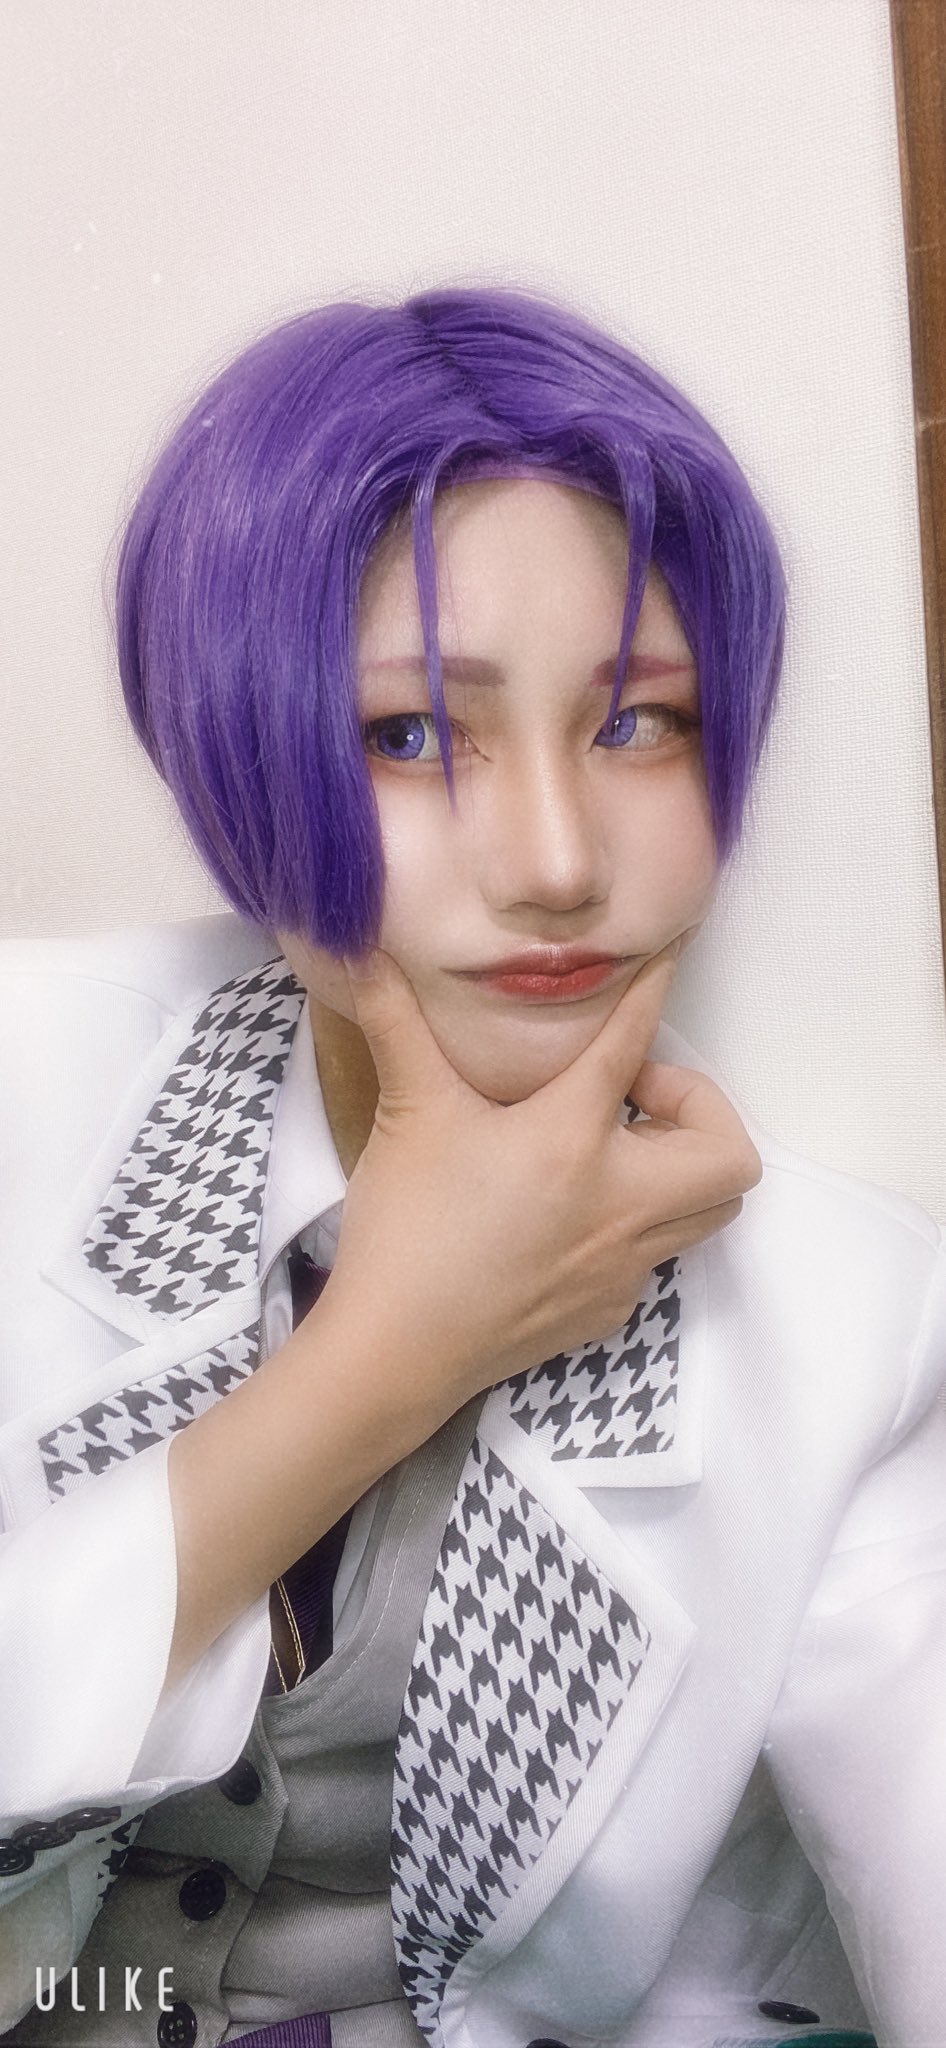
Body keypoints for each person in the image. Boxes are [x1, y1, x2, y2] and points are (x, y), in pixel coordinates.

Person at [0, 285, 943, 2048]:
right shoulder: (24, 1085)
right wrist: (386, 1359)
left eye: (636, 721)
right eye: (410, 733)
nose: (558, 860)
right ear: (229, 743)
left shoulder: (847, 1319)